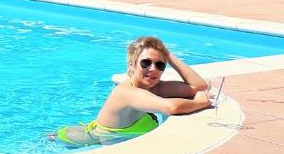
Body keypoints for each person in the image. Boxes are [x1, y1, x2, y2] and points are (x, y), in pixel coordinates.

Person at [52, 36, 212, 147]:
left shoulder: (154, 87)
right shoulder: (128, 93)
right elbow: (171, 107)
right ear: (132, 65)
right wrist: (200, 103)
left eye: (160, 65)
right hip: (78, 141)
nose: (153, 69)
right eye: (146, 63)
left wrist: (168, 56)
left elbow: (199, 86)